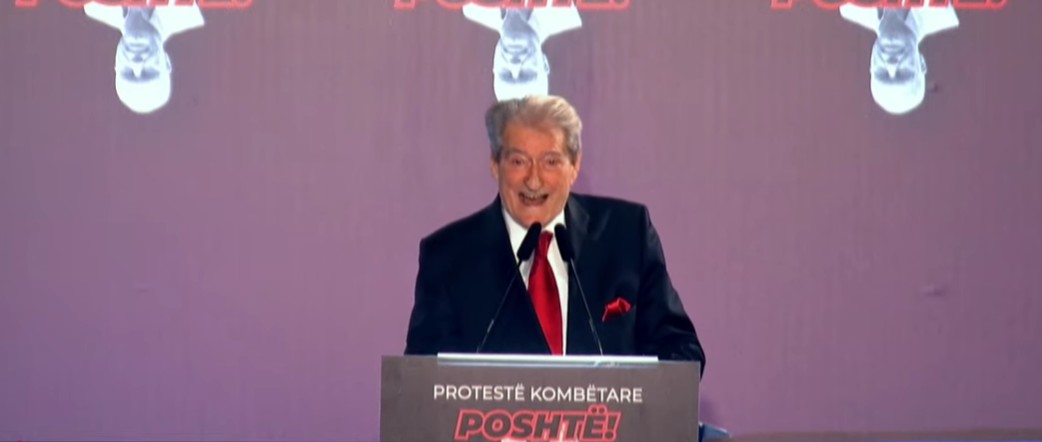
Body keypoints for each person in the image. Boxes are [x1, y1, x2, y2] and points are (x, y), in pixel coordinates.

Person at [404, 95, 705, 373]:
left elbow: (682, 352)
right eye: (518, 161)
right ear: (495, 164)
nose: (534, 180)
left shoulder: (626, 235)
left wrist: (629, 394)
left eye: (550, 161)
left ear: (575, 165)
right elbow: (425, 379)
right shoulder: (448, 257)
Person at [83, 2, 205, 114]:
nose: (136, 63)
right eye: (149, 72)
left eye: (127, 72)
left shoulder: (93, 6)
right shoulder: (191, 9)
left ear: (116, 65)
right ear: (167, 62)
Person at [840, 2, 959, 115]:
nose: (891, 65)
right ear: (921, 63)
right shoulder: (946, 12)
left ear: (871, 65)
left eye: (882, 73)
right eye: (903, 73)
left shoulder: (849, 7)